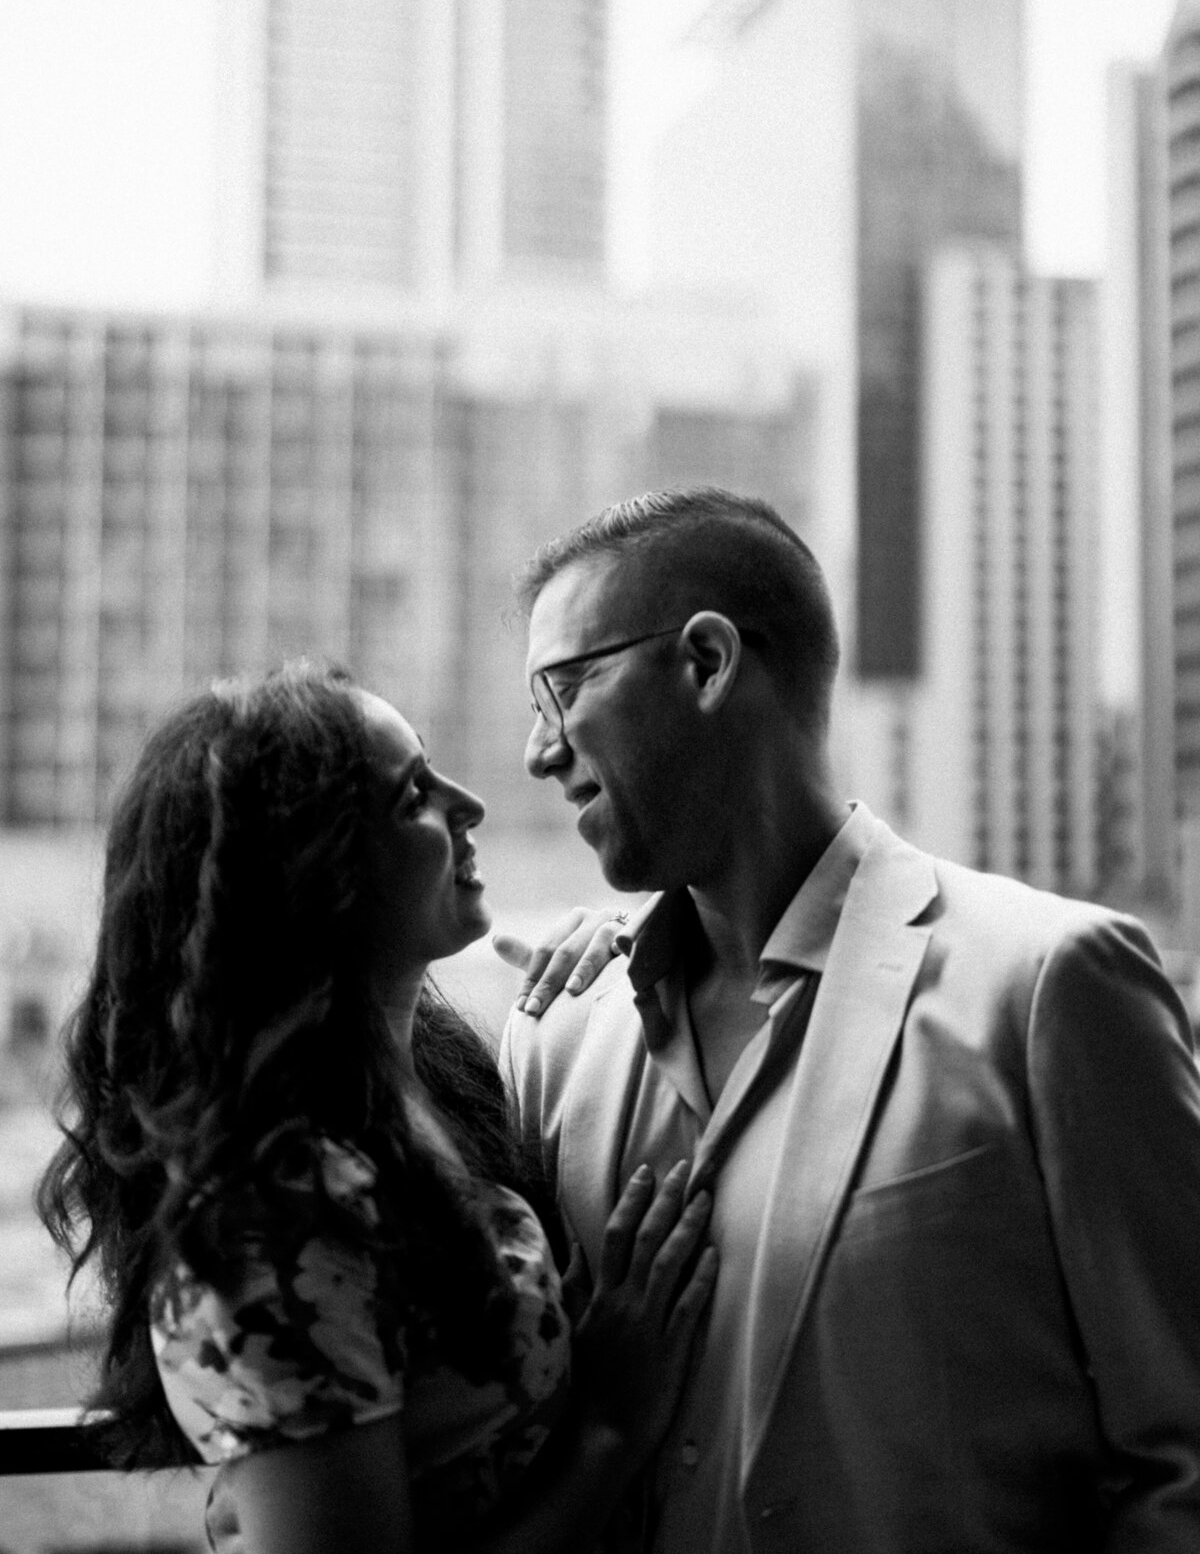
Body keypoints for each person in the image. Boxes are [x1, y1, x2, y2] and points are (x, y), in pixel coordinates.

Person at [502, 485, 1200, 1553]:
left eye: (563, 691)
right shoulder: (555, 1043)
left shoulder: (1049, 986)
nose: (538, 755)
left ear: (706, 662)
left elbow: (1180, 1457)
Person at [39, 662, 716, 1554]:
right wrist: (610, 1431)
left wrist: (617, 951)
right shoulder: (273, 1210)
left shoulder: (426, 1086)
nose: (469, 803)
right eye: (413, 798)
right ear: (313, 875)